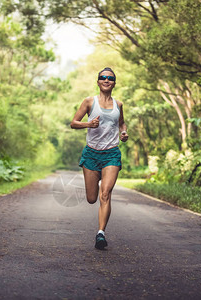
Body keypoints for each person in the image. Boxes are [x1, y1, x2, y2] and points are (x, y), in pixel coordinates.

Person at [70, 67, 129, 250]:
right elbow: (74, 123)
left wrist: (124, 132)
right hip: (91, 154)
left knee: (106, 193)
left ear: (114, 83)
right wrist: (88, 123)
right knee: (91, 198)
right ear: (98, 82)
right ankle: (95, 184)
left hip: (111, 153)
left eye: (110, 78)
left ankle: (101, 233)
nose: (106, 80)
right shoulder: (89, 101)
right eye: (103, 77)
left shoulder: (118, 105)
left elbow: (121, 123)